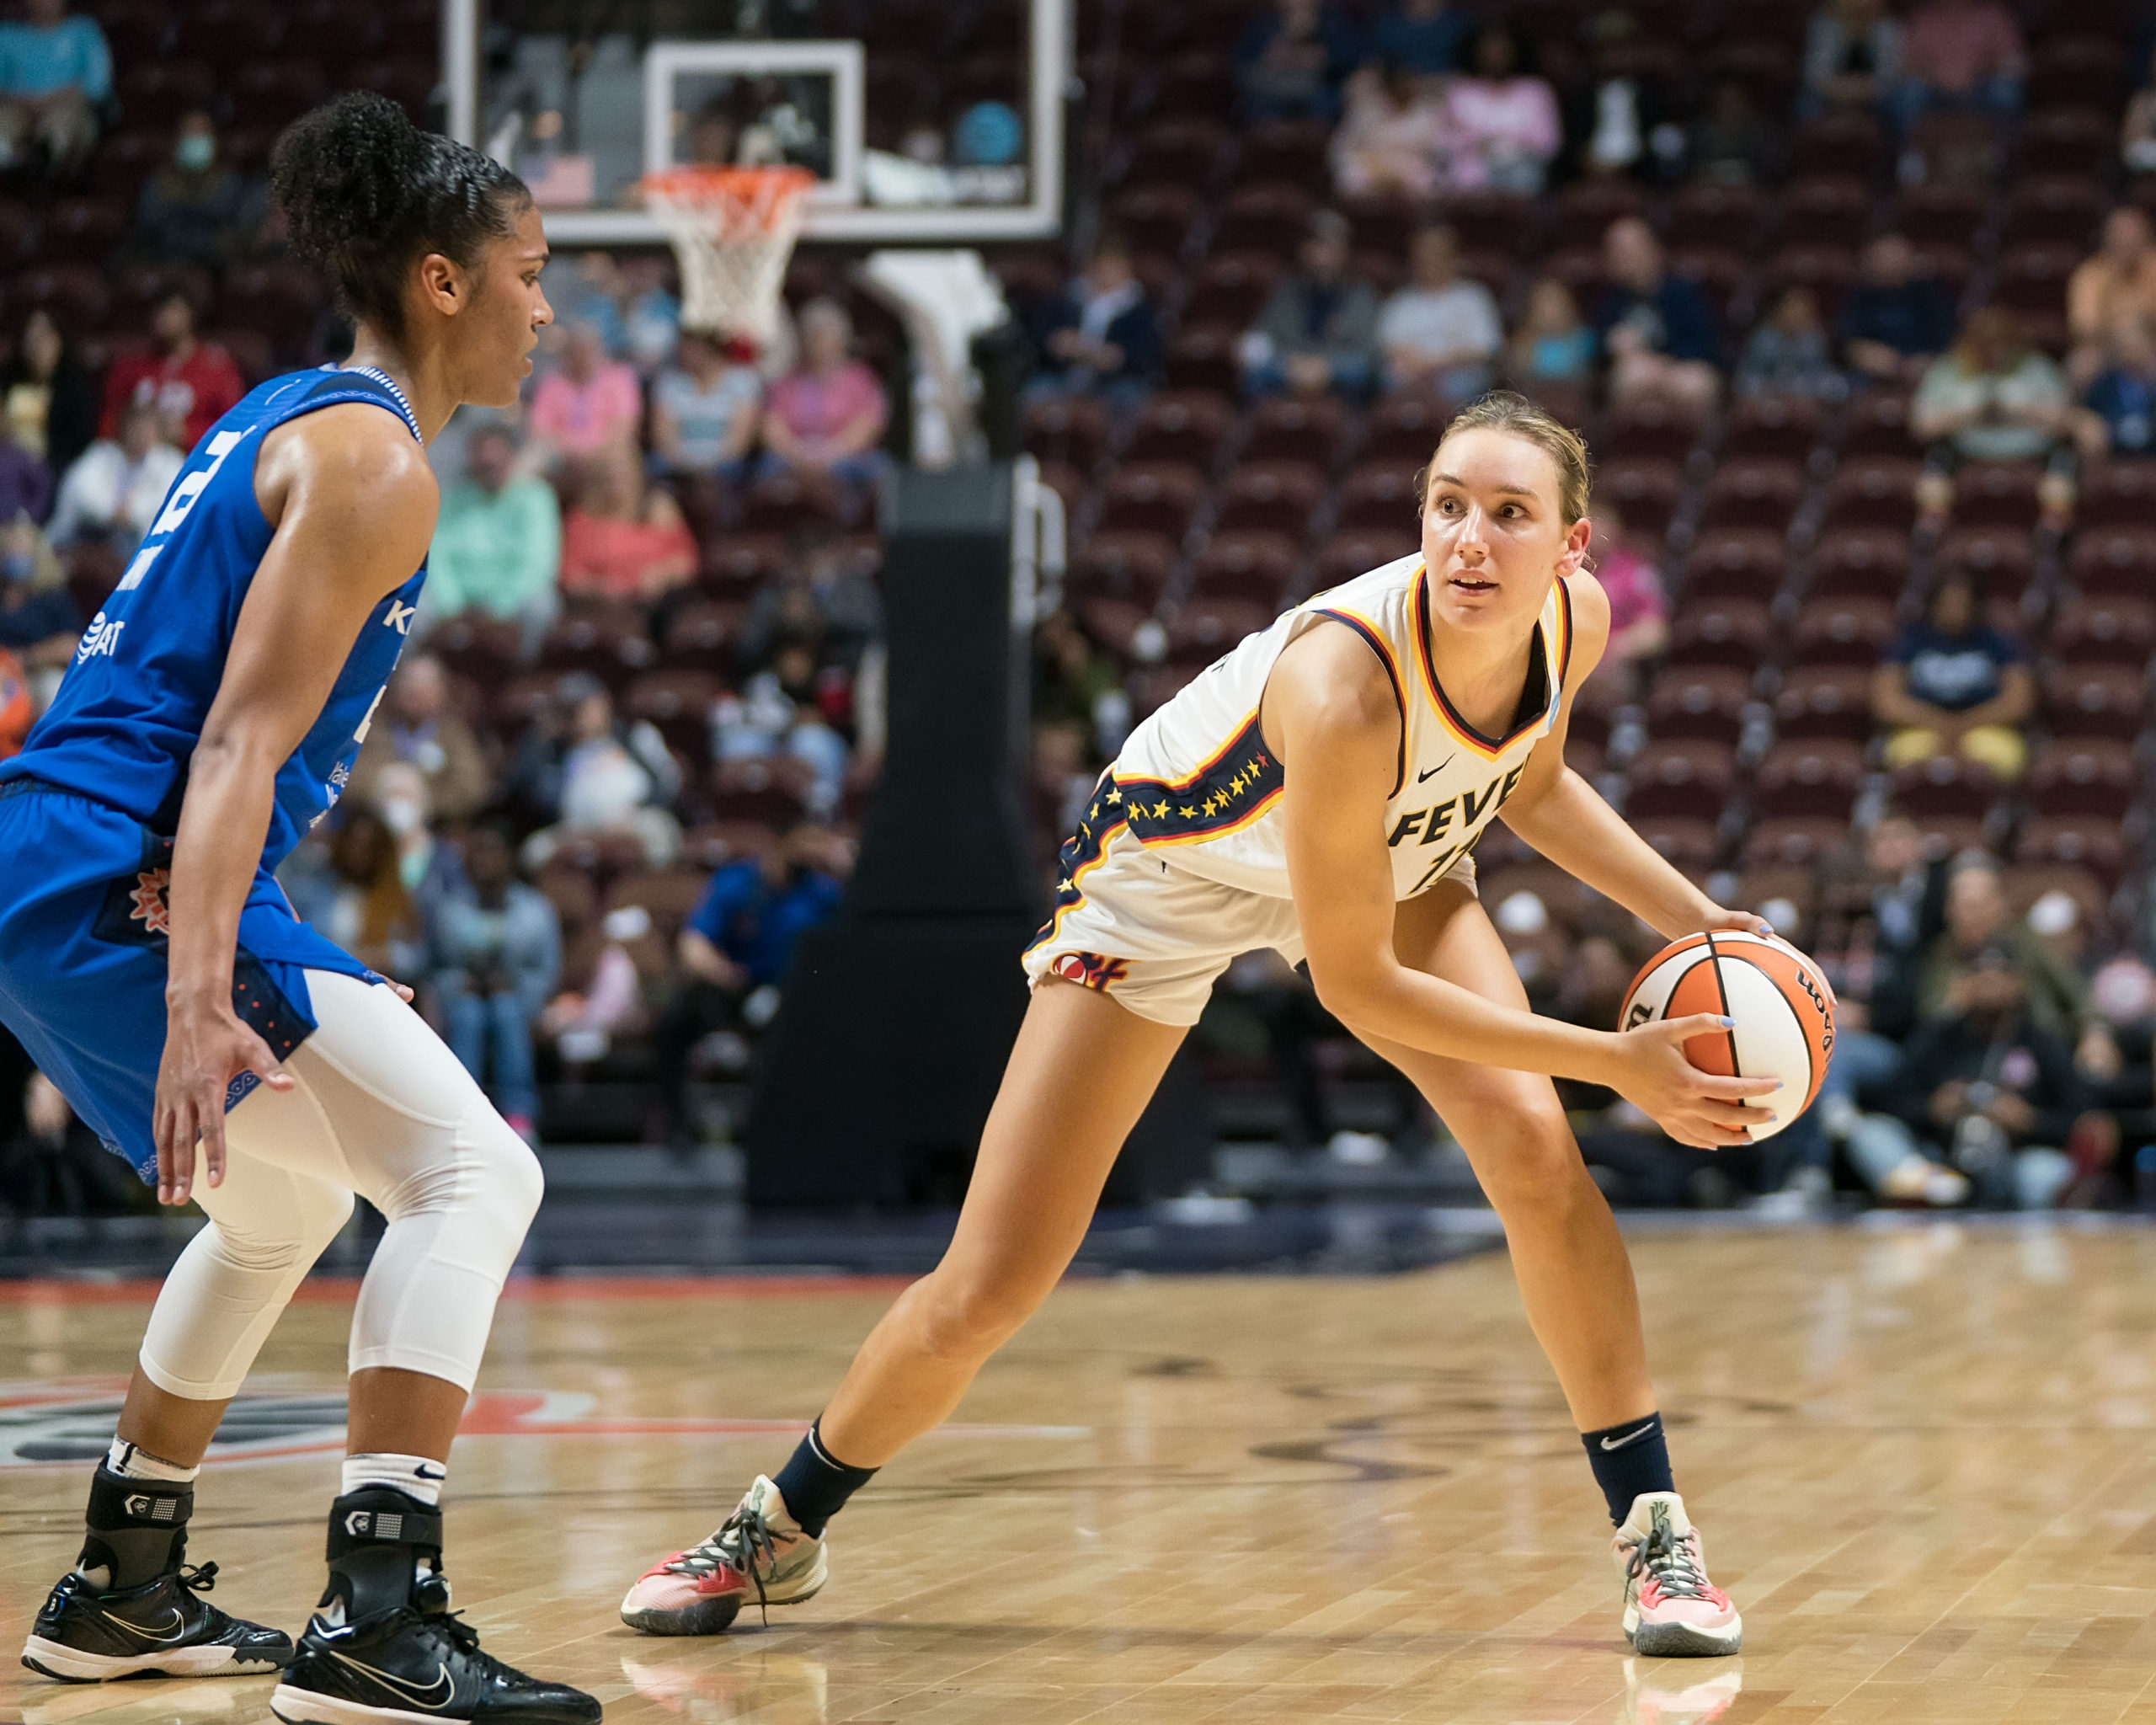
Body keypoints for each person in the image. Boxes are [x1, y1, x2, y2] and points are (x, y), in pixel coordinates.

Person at [619, 393, 1774, 1658]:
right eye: (1448, 506)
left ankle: (1654, 1536)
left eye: (1509, 516)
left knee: (1541, 1162)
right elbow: (1354, 987)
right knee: (993, 1281)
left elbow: (1532, 782)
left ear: (1572, 548)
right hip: (1166, 881)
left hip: (1381, 853)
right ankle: (779, 1526)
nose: (1469, 542)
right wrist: (1616, 1061)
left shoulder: (1574, 624)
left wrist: (1708, 921)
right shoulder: (1346, 687)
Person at [0, 93, 596, 1719]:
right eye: (529, 271)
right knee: (476, 1172)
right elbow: (239, 743)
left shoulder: (293, 414)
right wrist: (208, 995)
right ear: (443, 279)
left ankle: (121, 1585)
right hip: (123, 855)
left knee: (279, 1208)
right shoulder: (377, 460)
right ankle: (375, 1621)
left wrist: (303, 968)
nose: (548, 309)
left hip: (51, 857)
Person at [652, 823, 844, 1150]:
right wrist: (723, 973)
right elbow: (693, 945)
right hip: (735, 985)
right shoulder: (738, 882)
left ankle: (790, 1135)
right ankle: (676, 1126)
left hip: (793, 995)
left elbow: (854, 936)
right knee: (677, 1018)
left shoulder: (820, 891)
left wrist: (843, 867)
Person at [430, 825, 559, 1144]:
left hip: (520, 1000)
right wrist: (460, 983)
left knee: (505, 1011)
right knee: (469, 1015)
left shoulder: (536, 910)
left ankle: (519, 1114)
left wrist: (516, 985)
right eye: (479, 851)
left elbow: (547, 971)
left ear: (510, 859)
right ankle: (464, 1112)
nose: (485, 859)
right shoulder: (450, 909)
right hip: (462, 997)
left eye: (493, 851)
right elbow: (435, 967)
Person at [1910, 307, 2073, 531]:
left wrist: (2018, 410)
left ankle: (2055, 524)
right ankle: (1933, 523)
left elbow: (2063, 421)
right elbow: (1922, 427)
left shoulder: (2037, 368)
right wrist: (1972, 412)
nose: (1995, 353)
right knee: (1936, 457)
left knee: (2063, 457)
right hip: (1966, 449)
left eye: (2002, 345)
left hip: (2031, 449)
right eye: (1987, 346)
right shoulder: (1947, 371)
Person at [1872, 567, 2033, 780]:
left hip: (1986, 729)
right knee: (1903, 757)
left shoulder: (1999, 642)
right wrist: (1939, 724)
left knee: (2005, 757)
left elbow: (2018, 701)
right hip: (1921, 729)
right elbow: (1886, 702)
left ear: (1976, 605)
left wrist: (1963, 724)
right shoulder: (1910, 642)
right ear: (1933, 604)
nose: (1955, 610)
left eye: (1962, 603)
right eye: (1948, 603)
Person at [512, 672, 683, 869]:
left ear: (604, 702)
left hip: (633, 820)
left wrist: (633, 813)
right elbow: (531, 795)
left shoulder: (635, 735)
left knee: (659, 834)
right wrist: (539, 738)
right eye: (571, 711)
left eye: (584, 706)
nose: (580, 715)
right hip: (575, 828)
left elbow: (667, 783)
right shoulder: (556, 752)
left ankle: (650, 893)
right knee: (534, 850)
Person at [419, 422, 562, 655]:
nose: (488, 463)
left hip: (511, 598)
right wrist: (452, 604)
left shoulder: (536, 497)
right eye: (481, 458)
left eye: (495, 457)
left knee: (541, 607)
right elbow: (437, 553)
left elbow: (537, 563)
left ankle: (522, 678)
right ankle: (420, 679)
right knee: (413, 609)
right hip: (457, 598)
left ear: (512, 456)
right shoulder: (454, 497)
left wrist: (499, 607)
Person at [1241, 210, 1381, 400]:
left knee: (1360, 371)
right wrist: (1294, 365)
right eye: (1317, 246)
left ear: (1345, 252)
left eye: (1331, 248)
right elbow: (1259, 341)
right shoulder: (1286, 292)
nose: (1322, 257)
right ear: (1304, 250)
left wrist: (1326, 368)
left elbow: (1368, 355)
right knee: (1254, 372)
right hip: (1288, 371)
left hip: (1336, 376)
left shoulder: (1360, 295)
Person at [1594, 217, 1722, 414]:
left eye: (1632, 250)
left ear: (1655, 250)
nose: (1624, 258)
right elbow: (1598, 357)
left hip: (1680, 367)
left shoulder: (1683, 293)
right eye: (1617, 251)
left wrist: (1664, 364)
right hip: (1640, 369)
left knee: (1696, 384)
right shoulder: (1609, 301)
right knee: (1632, 375)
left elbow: (1705, 345)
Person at [349, 654, 492, 827]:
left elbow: (472, 788)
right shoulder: (369, 726)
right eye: (407, 682)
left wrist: (421, 798)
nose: (413, 691)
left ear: (441, 691)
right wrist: (386, 788)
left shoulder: (454, 733)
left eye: (424, 686)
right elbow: (345, 774)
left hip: (437, 826)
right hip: (369, 819)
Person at [762, 299, 890, 487]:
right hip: (795, 456)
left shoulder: (861, 380)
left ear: (841, 340)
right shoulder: (788, 380)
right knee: (766, 472)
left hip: (845, 457)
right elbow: (773, 425)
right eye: (814, 338)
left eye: (825, 338)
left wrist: (831, 453)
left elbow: (868, 424)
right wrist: (797, 453)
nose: (819, 345)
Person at [1026, 234, 1161, 407]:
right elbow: (1041, 334)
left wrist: (1115, 356)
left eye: (1113, 266)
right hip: (1064, 377)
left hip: (1112, 383)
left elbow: (1145, 352)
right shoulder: (1069, 299)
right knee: (1036, 391)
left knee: (1127, 396)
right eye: (1102, 265)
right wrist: (1058, 342)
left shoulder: (1138, 308)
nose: (1107, 272)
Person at [99, 293, 246, 452]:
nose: (164, 317)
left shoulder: (217, 369)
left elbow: (234, 427)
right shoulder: (132, 365)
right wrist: (129, 431)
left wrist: (187, 433)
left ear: (191, 315)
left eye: (173, 309)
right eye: (159, 310)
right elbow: (108, 419)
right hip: (130, 458)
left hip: (190, 458)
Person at [1378, 223, 1503, 400]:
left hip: (1459, 376)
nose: (1428, 259)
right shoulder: (1401, 302)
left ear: (1452, 256)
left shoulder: (1473, 296)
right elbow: (1390, 346)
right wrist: (1418, 366)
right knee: (1391, 376)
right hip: (1412, 375)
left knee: (1465, 382)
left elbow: (1484, 349)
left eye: (1436, 252)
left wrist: (1434, 363)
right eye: (1422, 253)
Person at [560, 446, 698, 604]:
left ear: (637, 473)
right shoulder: (581, 517)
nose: (616, 481)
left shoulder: (659, 508)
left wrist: (662, 575)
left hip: (657, 602)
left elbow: (687, 561)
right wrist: (599, 588)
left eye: (623, 473)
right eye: (609, 475)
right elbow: (570, 575)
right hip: (601, 605)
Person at [46, 401, 184, 555]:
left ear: (158, 431)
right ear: (124, 427)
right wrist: (111, 512)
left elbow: (169, 501)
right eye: (135, 426)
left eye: (147, 427)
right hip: (93, 533)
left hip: (140, 541)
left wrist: (132, 514)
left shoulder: (170, 461)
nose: (141, 433)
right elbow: (79, 489)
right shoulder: (101, 453)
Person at [1438, 24, 1561, 195]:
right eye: (1489, 49)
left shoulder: (1535, 91)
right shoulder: (1461, 92)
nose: (1495, 55)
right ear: (1477, 51)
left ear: (1514, 50)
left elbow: (1548, 143)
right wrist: (1482, 146)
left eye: (1502, 49)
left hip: (1522, 170)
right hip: (1470, 174)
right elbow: (1448, 140)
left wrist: (1503, 146)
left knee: (1522, 174)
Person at [133, 111, 259, 270]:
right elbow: (148, 224)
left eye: (201, 134)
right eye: (190, 134)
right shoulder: (159, 181)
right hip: (164, 265)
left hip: (215, 269)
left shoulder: (229, 181)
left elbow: (237, 228)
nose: (195, 140)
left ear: (214, 140)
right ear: (177, 140)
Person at [0, 0, 108, 174]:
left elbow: (98, 87)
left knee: (64, 120)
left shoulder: (83, 31)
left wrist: (56, 98)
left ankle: (46, 157)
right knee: (4, 122)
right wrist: (27, 101)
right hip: (18, 108)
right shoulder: (8, 35)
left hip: (68, 110)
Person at [1840, 234, 1956, 388]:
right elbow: (1846, 340)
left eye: (1897, 256)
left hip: (1922, 371)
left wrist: (1927, 360)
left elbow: (1946, 339)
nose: (1892, 263)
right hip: (1870, 373)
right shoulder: (1859, 295)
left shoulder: (1928, 295)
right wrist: (1862, 352)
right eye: (1884, 257)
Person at [1891, 0, 2025, 131]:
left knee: (2005, 94)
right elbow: (1906, 63)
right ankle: (1910, 151)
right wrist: (1938, 75)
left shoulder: (1994, 15)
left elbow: (2015, 62)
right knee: (1911, 93)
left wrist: (1979, 70)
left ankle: (2004, 150)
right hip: (1934, 88)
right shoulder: (1922, 18)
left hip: (1981, 87)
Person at [528, 318, 641, 468]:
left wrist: (592, 451)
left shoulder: (619, 379)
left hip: (605, 452)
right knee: (533, 458)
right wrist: (573, 450)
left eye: (586, 351)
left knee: (620, 456)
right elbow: (541, 430)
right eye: (575, 353)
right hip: (562, 454)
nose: (581, 358)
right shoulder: (551, 385)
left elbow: (623, 428)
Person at [650, 329, 762, 480]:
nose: (682, 352)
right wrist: (691, 468)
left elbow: (739, 442)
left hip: (725, 470)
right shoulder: (669, 382)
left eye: (691, 347)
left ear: (710, 348)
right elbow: (664, 439)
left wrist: (709, 469)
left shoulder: (742, 380)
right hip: (679, 469)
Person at [1331, 59, 1447, 202]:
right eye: (1397, 83)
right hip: (1370, 166)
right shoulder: (1365, 111)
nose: (1403, 87)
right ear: (1387, 86)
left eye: (1406, 82)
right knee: (1351, 177)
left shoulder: (1428, 114)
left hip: (1412, 169)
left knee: (1427, 181)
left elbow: (1440, 152)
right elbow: (1343, 148)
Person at [1582, 500, 1667, 694]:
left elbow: (1655, 632)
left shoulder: (1636, 573)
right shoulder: (1563, 572)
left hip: (1615, 665)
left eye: (1601, 526)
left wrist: (1617, 648)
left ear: (1615, 530)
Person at [2068, 208, 2156, 390]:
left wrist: (2137, 330)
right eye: (2120, 234)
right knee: (2081, 366)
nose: (2127, 240)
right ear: (2108, 238)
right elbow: (2084, 328)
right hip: (2106, 347)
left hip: (2150, 344)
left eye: (2134, 235)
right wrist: (2122, 333)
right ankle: (2085, 417)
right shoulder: (2091, 273)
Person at [4, 307, 98, 474]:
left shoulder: (74, 387)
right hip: (8, 466)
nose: (37, 346)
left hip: (54, 470)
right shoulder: (7, 381)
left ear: (59, 340)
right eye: (31, 338)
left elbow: (78, 441)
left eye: (44, 338)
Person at [1235, 0, 1359, 124]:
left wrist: (1323, 57)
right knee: (1262, 110)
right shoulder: (1263, 25)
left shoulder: (1333, 24)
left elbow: (1352, 65)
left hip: (1320, 90)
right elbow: (1241, 71)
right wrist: (1272, 58)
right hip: (1271, 93)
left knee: (1327, 105)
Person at [1736, 286, 1845, 401]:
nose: (1795, 315)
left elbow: (1823, 376)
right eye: (1791, 309)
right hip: (1765, 398)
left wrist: (1798, 391)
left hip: (1805, 397)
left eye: (1801, 312)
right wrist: (1766, 390)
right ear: (1780, 311)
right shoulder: (1762, 340)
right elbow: (1747, 376)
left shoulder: (1814, 341)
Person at [1801, 0, 1903, 119]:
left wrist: (1861, 90)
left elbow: (1889, 75)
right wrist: (1841, 90)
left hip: (1874, 93)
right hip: (1829, 90)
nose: (1860, 4)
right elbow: (1815, 72)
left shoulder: (1887, 29)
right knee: (1806, 103)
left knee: (1904, 98)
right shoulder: (1825, 26)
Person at [2078, 315, 2156, 462]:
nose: (2131, 351)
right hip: (2113, 452)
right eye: (2124, 345)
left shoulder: (2152, 382)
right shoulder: (2103, 384)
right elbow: (2089, 416)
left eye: (2137, 344)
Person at [1508, 277, 1597, 394]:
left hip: (1572, 398)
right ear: (1532, 309)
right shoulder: (1522, 340)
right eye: (1543, 305)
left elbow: (1587, 377)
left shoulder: (1583, 338)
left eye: (1555, 304)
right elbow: (1515, 378)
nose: (1550, 311)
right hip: (1534, 399)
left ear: (1567, 306)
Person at [1687, 79, 1778, 187]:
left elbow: (1769, 175)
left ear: (1745, 103)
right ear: (1713, 104)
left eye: (1734, 101)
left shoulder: (1760, 135)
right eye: (1723, 102)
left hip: (1750, 193)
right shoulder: (1697, 135)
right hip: (1707, 193)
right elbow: (1689, 172)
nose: (1729, 107)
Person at [1368, 0, 1472, 77]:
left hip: (1448, 88)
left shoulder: (1460, 26)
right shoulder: (1387, 26)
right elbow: (1375, 65)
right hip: (1401, 91)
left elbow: (1470, 71)